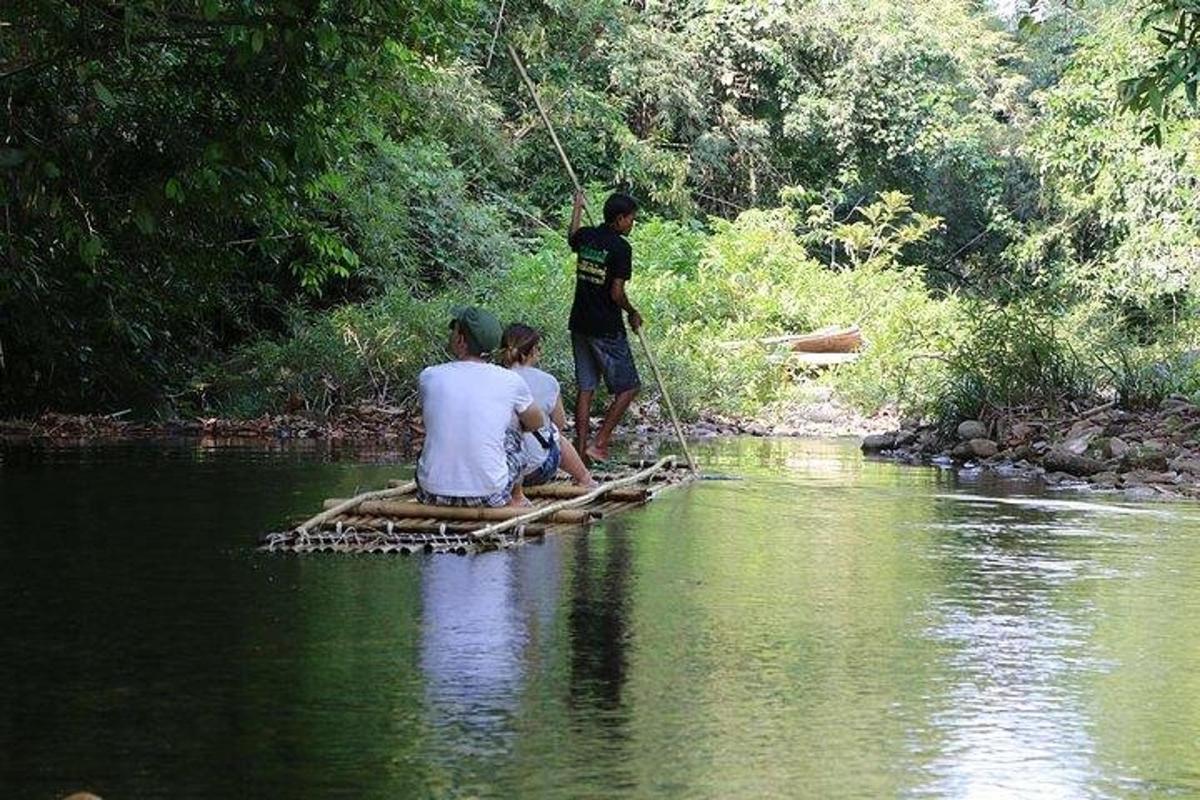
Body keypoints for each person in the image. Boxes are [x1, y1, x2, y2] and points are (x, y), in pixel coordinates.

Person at [416, 306, 546, 508]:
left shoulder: (429, 376)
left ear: (460, 340)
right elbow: (537, 422)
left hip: (431, 495)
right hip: (490, 496)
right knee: (514, 428)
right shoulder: (510, 380)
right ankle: (517, 497)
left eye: (454, 330)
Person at [567, 190, 643, 464]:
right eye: (631, 219)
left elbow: (571, 236)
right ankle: (599, 443)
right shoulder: (621, 249)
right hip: (606, 328)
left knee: (586, 388)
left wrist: (576, 206)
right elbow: (616, 293)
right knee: (629, 387)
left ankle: (579, 451)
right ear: (620, 219)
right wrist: (632, 312)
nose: (632, 224)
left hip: (580, 323)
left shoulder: (587, 236)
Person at [499, 323, 598, 489]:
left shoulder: (492, 378)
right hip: (534, 471)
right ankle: (585, 479)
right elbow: (560, 424)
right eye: (538, 348)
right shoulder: (548, 381)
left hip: (496, 472)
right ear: (531, 352)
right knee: (553, 432)